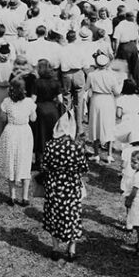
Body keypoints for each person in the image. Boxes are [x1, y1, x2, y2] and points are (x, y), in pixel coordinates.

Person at [40, 110, 87, 262]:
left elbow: (44, 166)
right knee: (72, 216)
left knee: (54, 216)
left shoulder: (50, 146)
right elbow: (84, 168)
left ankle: (55, 249)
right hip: (72, 187)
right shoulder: (77, 148)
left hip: (54, 186)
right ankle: (71, 250)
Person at [0, 77, 36, 206]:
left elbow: (2, 117)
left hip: (11, 131)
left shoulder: (7, 102)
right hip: (24, 132)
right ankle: (25, 197)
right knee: (25, 162)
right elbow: (33, 119)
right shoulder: (29, 102)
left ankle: (12, 196)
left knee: (11, 161)